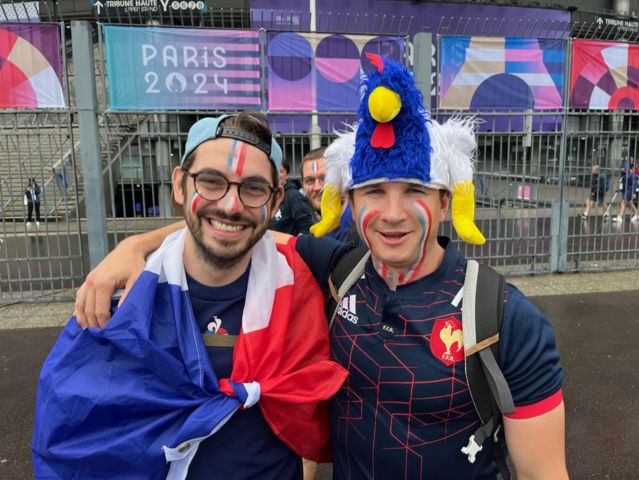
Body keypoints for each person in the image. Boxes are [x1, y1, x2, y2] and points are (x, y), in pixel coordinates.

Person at [75, 57, 568, 479]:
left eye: (413, 191)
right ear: (349, 202)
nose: (393, 213)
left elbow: (543, 472)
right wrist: (134, 247)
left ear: (444, 202)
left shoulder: (504, 317)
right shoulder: (341, 270)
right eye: (374, 192)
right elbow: (241, 222)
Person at [33, 112, 348, 479]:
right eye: (212, 182)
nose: (232, 204)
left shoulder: (300, 280)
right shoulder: (124, 300)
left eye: (253, 188)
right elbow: (68, 432)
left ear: (275, 200)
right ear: (180, 186)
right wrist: (135, 245)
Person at [268, 159, 316, 235]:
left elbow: (308, 229)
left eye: (280, 171)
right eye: (274, 170)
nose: (276, 174)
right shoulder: (267, 196)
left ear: (287, 175)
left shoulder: (294, 196)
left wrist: (293, 245)